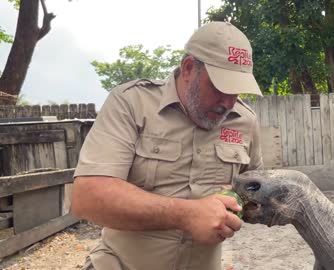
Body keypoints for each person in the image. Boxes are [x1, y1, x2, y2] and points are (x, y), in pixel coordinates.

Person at [71, 21, 264, 270]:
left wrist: (238, 201)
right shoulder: (132, 103)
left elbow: (257, 195)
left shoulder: (246, 122)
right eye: (219, 86)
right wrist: (187, 213)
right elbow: (87, 197)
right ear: (188, 68)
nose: (228, 102)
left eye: (237, 91)